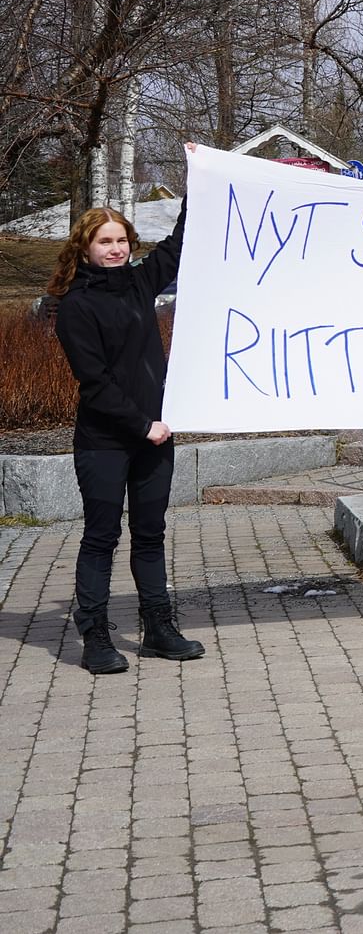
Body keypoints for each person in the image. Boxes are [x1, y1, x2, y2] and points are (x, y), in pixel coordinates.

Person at [49, 198, 203, 674]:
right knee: (101, 537)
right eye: (105, 241)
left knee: (150, 534)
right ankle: (94, 636)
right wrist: (142, 424)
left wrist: (197, 184)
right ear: (85, 247)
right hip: (105, 441)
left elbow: (179, 246)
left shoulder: (139, 284)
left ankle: (158, 628)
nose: (115, 249)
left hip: (154, 437)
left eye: (121, 241)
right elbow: (94, 384)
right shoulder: (75, 305)